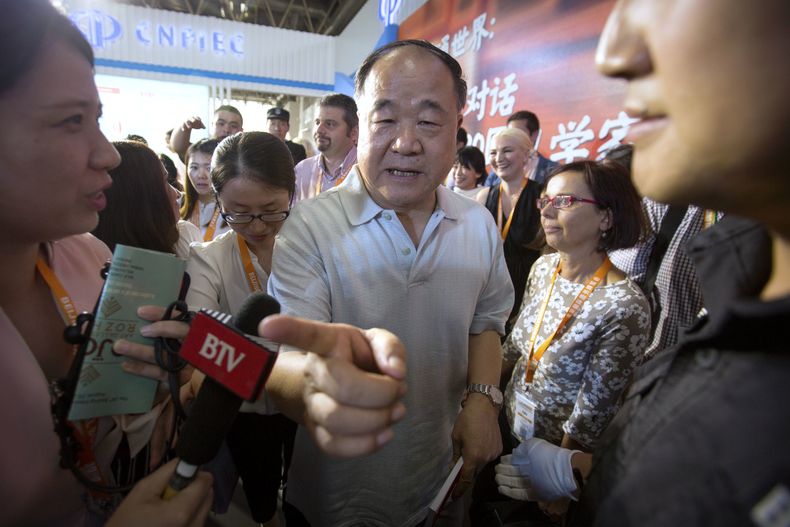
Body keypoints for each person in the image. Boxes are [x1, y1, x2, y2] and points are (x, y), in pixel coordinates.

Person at [494, 1, 790, 525]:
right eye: (548, 202)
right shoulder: (739, 288)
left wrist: (572, 467)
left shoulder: (627, 301)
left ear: (606, 217)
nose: (612, 54)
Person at [267, 39, 514, 525]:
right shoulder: (310, 227)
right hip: (336, 497)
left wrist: (484, 399)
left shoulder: (477, 223)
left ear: (457, 129)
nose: (406, 143)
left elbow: (486, 321)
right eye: (385, 120)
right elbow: (285, 362)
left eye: (428, 122)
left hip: (441, 479)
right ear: (360, 126)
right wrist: (319, 386)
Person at [0, 1, 212, 524]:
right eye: (71, 121)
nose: (109, 155)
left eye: (95, 119)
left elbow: (122, 414)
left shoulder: (91, 256)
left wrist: (162, 383)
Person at [185, 131, 296, 525]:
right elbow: (201, 341)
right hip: (245, 410)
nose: (258, 225)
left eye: (271, 210)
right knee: (261, 497)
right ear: (219, 202)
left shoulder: (315, 249)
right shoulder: (209, 259)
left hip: (307, 403)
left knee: (305, 495)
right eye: (240, 213)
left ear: (291, 194)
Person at [478, 127, 545, 332]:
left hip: (528, 293)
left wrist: (534, 301)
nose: (499, 158)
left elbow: (548, 252)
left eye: (507, 151)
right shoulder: (484, 197)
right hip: (489, 293)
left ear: (526, 155)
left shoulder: (541, 195)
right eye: (493, 152)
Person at [93, 140, 199, 259]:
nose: (177, 194)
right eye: (164, 181)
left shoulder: (185, 237)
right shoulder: (89, 257)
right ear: (140, 198)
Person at [293, 93, 358, 203]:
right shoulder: (302, 170)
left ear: (353, 133)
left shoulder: (367, 171)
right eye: (317, 122)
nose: (319, 130)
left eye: (329, 124)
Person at [179, 137, 231, 242]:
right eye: (194, 167)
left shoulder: (234, 211)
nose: (201, 175)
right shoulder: (178, 203)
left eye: (209, 168)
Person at [169, 104, 243, 162]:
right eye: (221, 124)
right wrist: (186, 127)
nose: (226, 130)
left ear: (241, 131)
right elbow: (179, 148)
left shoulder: (245, 155)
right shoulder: (202, 151)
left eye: (233, 126)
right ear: (212, 126)